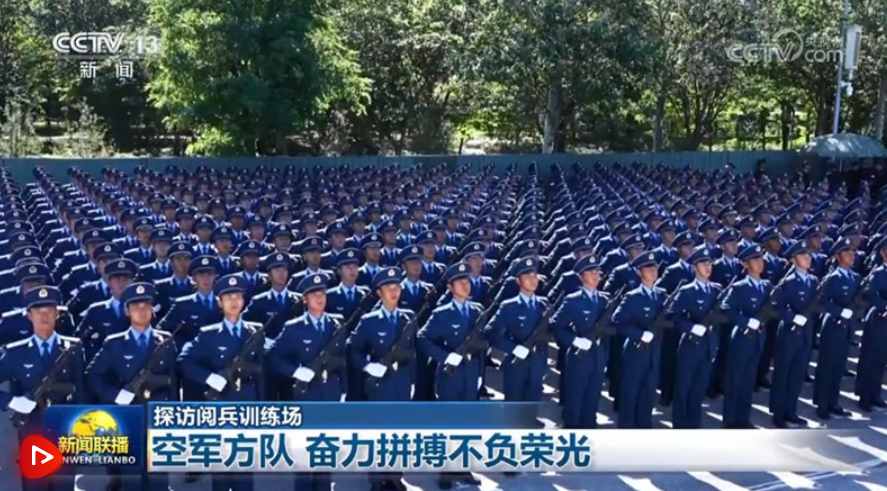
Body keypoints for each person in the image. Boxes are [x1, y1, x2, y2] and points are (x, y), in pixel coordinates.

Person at [86, 282, 177, 491]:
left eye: (146, 306)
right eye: (136, 307)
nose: (142, 311)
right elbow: (93, 376)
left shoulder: (166, 341)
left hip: (158, 416)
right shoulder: (114, 343)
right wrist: (116, 395)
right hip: (128, 417)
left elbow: (173, 380)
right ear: (127, 311)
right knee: (132, 479)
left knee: (159, 479)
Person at [178, 274, 264, 491]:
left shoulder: (255, 331)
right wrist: (209, 377)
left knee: (245, 469)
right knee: (221, 474)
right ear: (219, 302)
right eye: (228, 297)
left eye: (237, 296)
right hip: (219, 405)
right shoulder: (208, 334)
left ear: (243, 301)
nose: (234, 301)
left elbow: (263, 372)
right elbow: (184, 360)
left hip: (247, 404)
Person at [0, 286, 85, 491]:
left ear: (57, 314)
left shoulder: (72, 348)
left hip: (65, 428)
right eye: (38, 311)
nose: (44, 316)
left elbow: (82, 389)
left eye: (49, 311)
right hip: (32, 429)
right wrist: (11, 400)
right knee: (35, 485)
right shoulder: (16, 352)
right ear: (29, 315)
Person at [268, 273, 345, 491]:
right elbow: (273, 356)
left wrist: (344, 391)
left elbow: (342, 360)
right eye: (313, 294)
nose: (319, 297)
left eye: (322, 293)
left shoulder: (336, 324)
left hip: (330, 392)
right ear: (305, 299)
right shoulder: (294, 327)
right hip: (306, 394)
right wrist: (296, 372)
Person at [417, 262, 484, 489]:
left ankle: (463, 467)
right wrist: (445, 357)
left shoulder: (477, 311)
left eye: (468, 281)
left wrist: (480, 373)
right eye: (460, 282)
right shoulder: (442, 313)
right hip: (450, 375)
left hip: (470, 373)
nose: (466, 285)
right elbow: (423, 339)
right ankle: (445, 470)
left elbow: (482, 344)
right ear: (450, 286)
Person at [347, 267, 412, 491]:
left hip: (401, 383)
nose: (393, 292)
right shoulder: (369, 320)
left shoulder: (408, 318)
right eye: (388, 288)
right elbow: (353, 349)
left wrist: (410, 380)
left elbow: (413, 351)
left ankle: (395, 477)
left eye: (397, 287)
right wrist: (368, 366)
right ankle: (376, 479)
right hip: (379, 384)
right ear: (379, 293)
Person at [550, 255, 610, 429]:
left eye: (596, 272)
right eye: (589, 272)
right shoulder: (573, 300)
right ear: (580, 277)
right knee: (575, 401)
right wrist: (574, 340)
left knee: (592, 401)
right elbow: (556, 324)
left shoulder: (605, 300)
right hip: (579, 358)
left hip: (598, 357)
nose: (594, 275)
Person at [668, 246, 721, 429]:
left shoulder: (716, 290)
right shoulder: (686, 291)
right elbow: (673, 316)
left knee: (699, 387)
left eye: (709, 263)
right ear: (694, 267)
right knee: (684, 386)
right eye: (703, 263)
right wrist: (690, 328)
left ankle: (694, 422)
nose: (708, 266)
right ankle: (681, 424)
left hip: (708, 344)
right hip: (690, 344)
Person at [484, 257, 550, 401]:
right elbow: (491, 332)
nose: (532, 280)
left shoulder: (543, 304)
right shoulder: (509, 306)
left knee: (531, 406)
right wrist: (513, 348)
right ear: (518, 281)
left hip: (537, 363)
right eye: (527, 276)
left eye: (534, 276)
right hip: (516, 366)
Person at [612, 252, 665, 429]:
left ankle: (644, 425)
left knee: (648, 392)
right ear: (639, 272)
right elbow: (618, 321)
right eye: (648, 268)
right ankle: (627, 427)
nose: (652, 271)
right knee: (630, 392)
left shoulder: (662, 295)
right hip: (635, 350)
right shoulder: (633, 296)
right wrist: (639, 335)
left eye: (654, 267)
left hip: (654, 351)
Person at [769, 241, 819, 426]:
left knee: (797, 373)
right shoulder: (788, 282)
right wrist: (792, 317)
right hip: (790, 332)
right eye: (803, 256)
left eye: (809, 256)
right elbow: (777, 305)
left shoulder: (813, 281)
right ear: (794, 260)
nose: (808, 258)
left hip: (805, 332)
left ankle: (791, 410)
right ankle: (778, 413)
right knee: (783, 372)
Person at [721, 245, 771, 429]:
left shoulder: (767, 286)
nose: (760, 262)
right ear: (746, 264)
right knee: (735, 379)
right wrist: (745, 322)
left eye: (761, 259)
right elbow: (726, 307)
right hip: (742, 337)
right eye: (755, 259)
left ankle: (743, 418)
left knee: (748, 380)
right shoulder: (739, 286)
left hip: (758, 338)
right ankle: (730, 420)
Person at [813, 237, 861, 420]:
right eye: (847, 252)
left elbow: (858, 300)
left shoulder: (855, 277)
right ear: (838, 256)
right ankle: (822, 404)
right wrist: (840, 312)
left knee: (838, 366)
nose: (852, 255)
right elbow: (822, 301)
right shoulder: (832, 277)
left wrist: (853, 313)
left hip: (846, 327)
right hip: (833, 325)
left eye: (852, 252)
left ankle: (833, 401)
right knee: (827, 365)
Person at [856, 236, 887, 411]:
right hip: (877, 317)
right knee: (869, 357)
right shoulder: (879, 272)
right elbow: (869, 294)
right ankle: (864, 395)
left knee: (881, 359)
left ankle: (875, 394)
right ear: (884, 253)